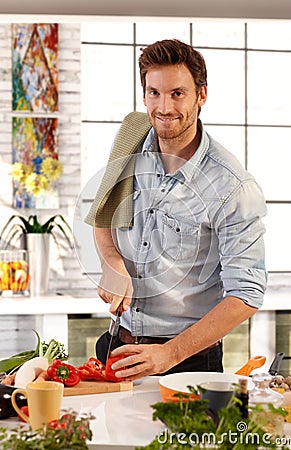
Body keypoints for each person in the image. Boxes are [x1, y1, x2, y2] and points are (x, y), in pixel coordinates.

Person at [85, 39, 267, 381]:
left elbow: (246, 294)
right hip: (115, 347)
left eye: (177, 94)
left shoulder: (233, 186)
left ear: (202, 95)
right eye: (154, 92)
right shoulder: (131, 140)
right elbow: (104, 214)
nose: (164, 107)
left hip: (188, 364)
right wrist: (112, 263)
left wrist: (170, 354)